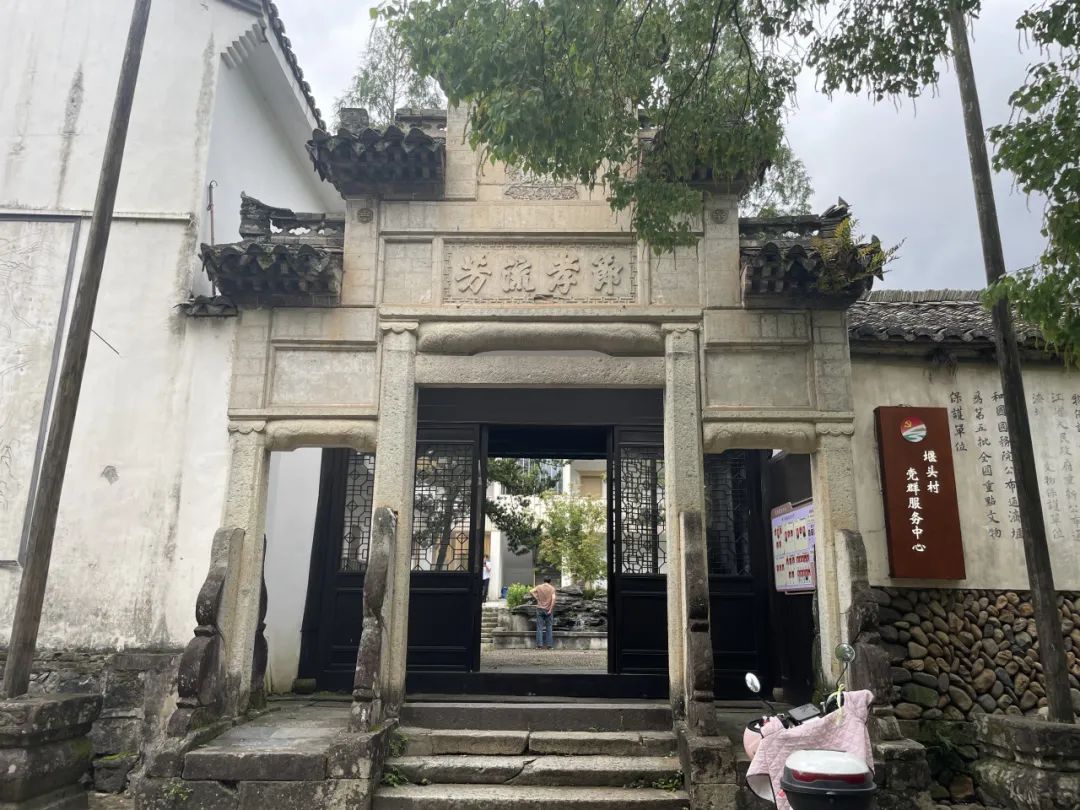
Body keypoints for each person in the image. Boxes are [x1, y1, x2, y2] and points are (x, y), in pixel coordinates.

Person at [529, 577, 556, 650]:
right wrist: (550, 609)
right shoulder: (552, 588)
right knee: (549, 627)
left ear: (544, 581)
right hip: (548, 610)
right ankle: (549, 646)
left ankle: (539, 646)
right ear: (550, 581)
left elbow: (531, 591)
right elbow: (553, 599)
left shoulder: (539, 587)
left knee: (539, 627)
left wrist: (536, 598)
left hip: (540, 609)